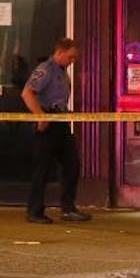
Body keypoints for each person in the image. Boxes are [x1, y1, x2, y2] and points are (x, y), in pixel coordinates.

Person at [22, 37, 92, 224]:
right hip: (48, 122)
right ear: (59, 52)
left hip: (61, 122)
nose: (72, 61)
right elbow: (27, 92)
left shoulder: (61, 71)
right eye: (70, 57)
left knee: (72, 165)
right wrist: (40, 115)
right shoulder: (46, 69)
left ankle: (68, 209)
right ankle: (34, 211)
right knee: (42, 170)